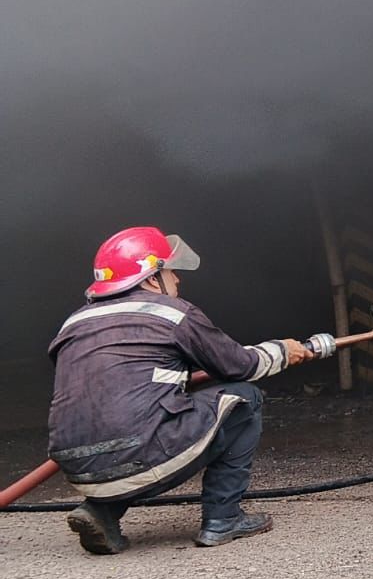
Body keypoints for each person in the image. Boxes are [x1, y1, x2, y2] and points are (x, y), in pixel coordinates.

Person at [47, 227, 312, 554]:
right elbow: (239, 366)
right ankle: (223, 518)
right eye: (170, 270)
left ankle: (102, 511)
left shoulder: (74, 322)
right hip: (137, 452)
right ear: (149, 278)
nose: (178, 279)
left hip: (76, 468)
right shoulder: (171, 313)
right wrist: (284, 350)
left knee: (135, 428)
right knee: (244, 398)